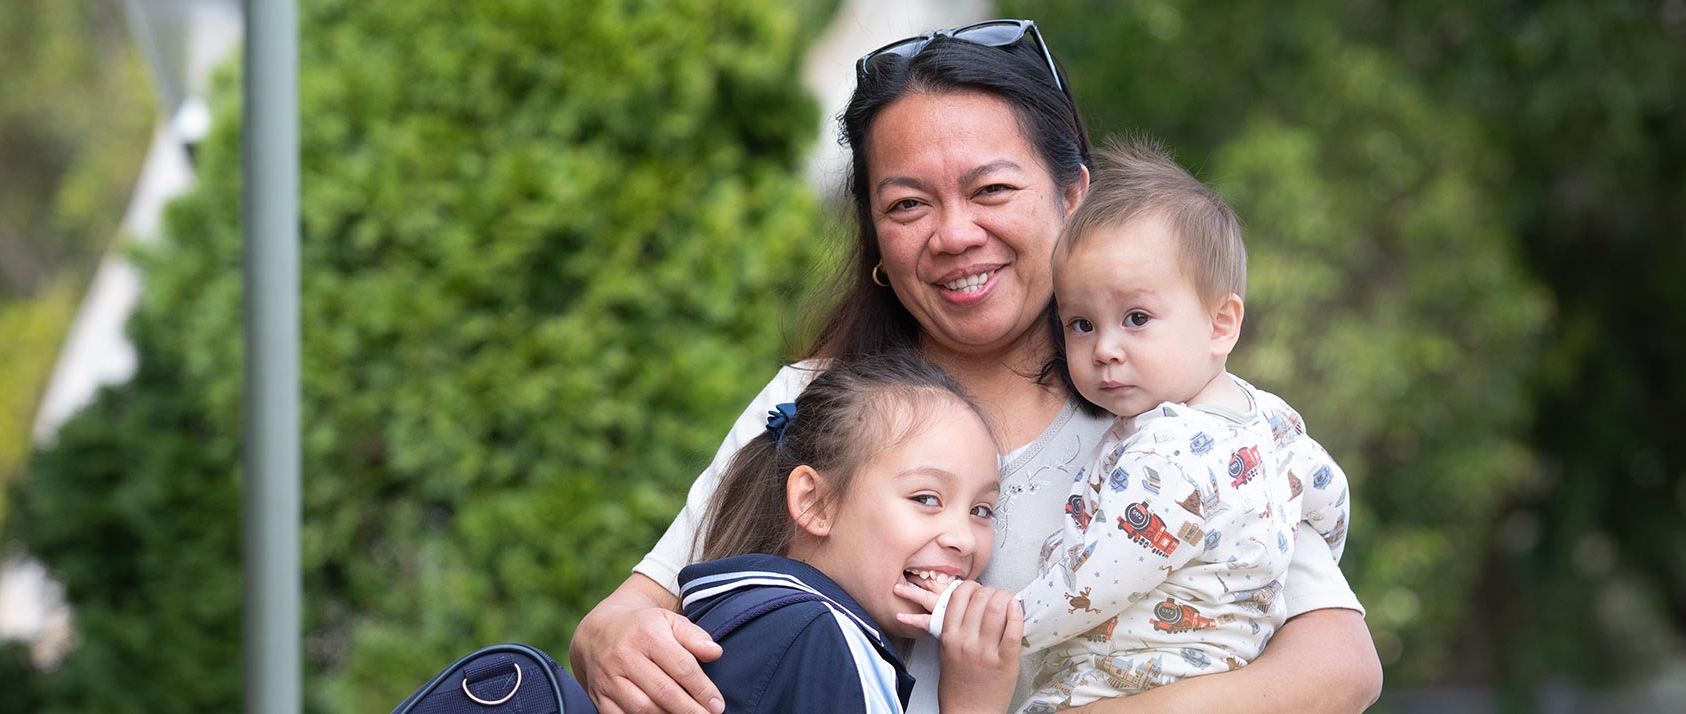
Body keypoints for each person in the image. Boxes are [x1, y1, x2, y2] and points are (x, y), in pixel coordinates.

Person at [571, 18, 1382, 714]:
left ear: (1073, 199)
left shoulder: (1171, 413)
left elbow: (1341, 668)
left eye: (991, 189)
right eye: (907, 204)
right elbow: (638, 608)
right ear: (877, 240)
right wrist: (610, 635)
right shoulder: (817, 400)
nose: (954, 235)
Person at [977, 137, 1348, 710]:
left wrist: (998, 628)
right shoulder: (1271, 420)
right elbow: (1330, 502)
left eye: (1136, 318)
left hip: (1115, 682)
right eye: (1080, 324)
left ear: (1221, 323)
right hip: (1227, 670)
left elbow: (1093, 585)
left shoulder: (1166, 451)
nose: (1105, 349)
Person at [678, 350, 1021, 713]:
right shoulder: (822, 639)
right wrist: (973, 703)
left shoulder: (730, 612)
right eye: (926, 498)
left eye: (981, 510)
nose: (964, 539)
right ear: (815, 503)